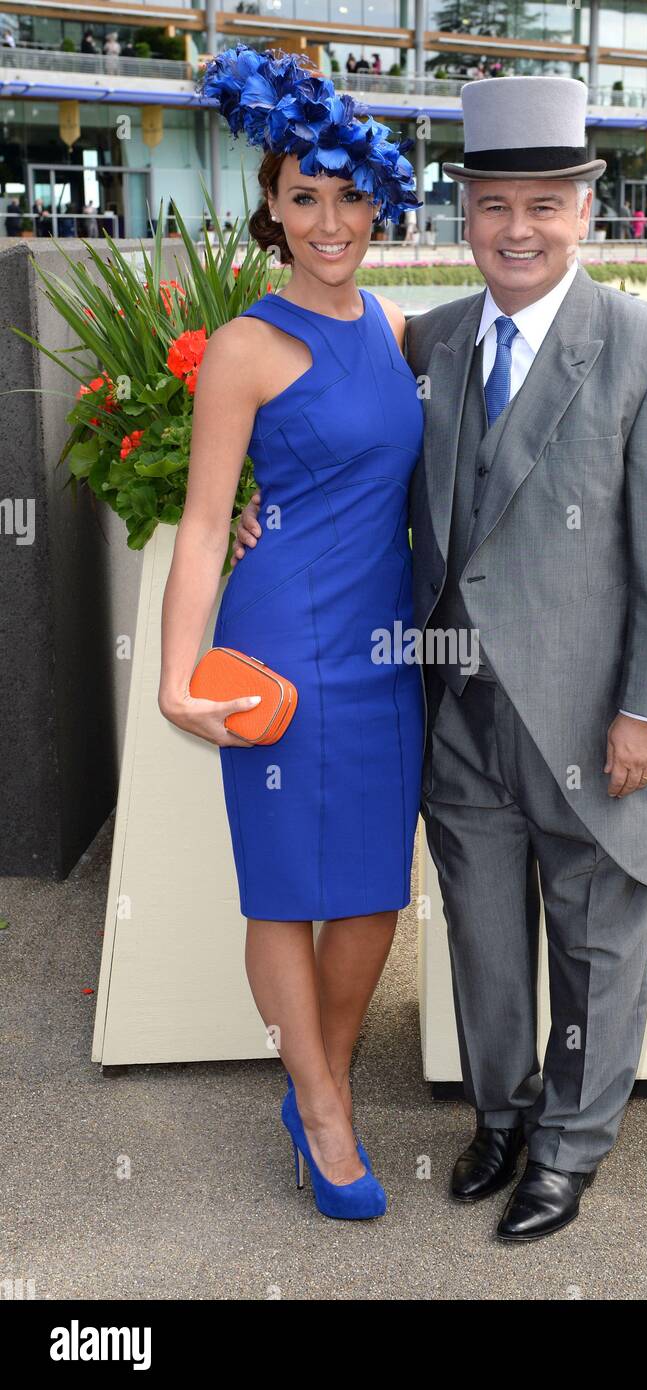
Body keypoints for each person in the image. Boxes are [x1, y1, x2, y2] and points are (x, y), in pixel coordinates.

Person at [235, 74, 647, 1242]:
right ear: (466, 215)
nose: (517, 229)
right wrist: (268, 502)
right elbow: (346, 452)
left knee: (597, 937)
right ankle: (501, 1117)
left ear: (586, 215)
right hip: (451, 704)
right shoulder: (434, 339)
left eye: (543, 206)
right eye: (495, 204)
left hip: (592, 712)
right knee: (484, 936)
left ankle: (566, 1147)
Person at [158, 47, 422, 1223]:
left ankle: (317, 1073)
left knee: (369, 894)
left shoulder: (406, 329)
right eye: (303, 196)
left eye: (348, 195)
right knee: (283, 894)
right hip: (279, 649)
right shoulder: (244, 347)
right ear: (270, 204)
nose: (329, 220)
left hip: (388, 648)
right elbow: (207, 520)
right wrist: (174, 679)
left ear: (379, 200)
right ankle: (322, 1107)